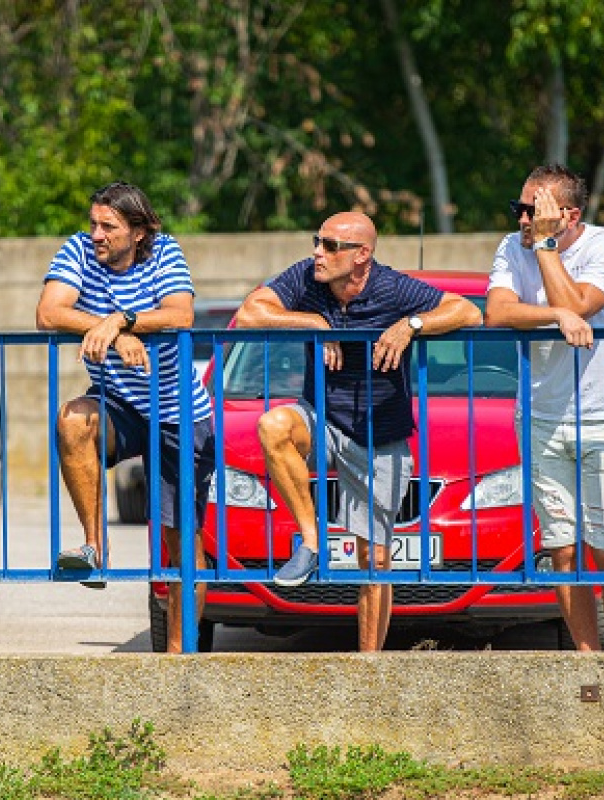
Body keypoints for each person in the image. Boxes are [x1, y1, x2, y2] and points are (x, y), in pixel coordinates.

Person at [234, 211, 481, 651]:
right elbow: (252, 312)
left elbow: (466, 312)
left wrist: (411, 326)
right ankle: (312, 542)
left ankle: (369, 667)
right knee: (272, 424)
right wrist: (316, 324)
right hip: (321, 419)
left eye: (330, 246)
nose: (318, 252)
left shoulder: (392, 286)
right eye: (317, 241)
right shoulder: (308, 279)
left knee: (376, 560)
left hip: (378, 435)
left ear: (362, 255)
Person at [35, 181, 215, 654]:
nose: (96, 233)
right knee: (73, 419)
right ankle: (95, 547)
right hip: (118, 402)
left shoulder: (165, 253)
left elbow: (180, 314)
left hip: (179, 414)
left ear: (138, 231)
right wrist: (113, 334)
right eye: (93, 223)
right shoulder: (77, 249)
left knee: (183, 551)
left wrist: (120, 320)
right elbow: (49, 313)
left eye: (108, 227)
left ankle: (180, 655)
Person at [486, 164, 604, 651]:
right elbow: (497, 312)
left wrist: (548, 249)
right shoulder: (514, 246)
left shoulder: (597, 246)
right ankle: (588, 663)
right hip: (540, 418)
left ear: (569, 215)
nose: (521, 219)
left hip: (600, 419)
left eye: (531, 211)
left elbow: (581, 303)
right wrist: (554, 313)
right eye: (518, 208)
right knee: (563, 548)